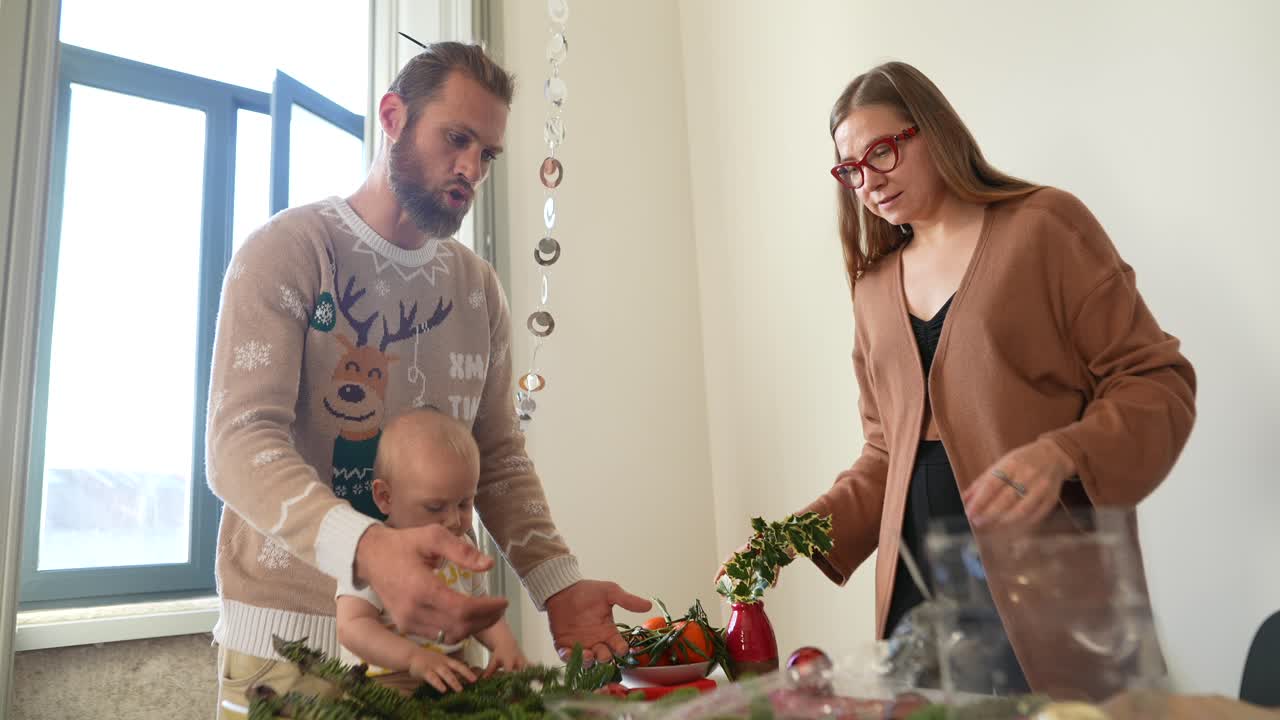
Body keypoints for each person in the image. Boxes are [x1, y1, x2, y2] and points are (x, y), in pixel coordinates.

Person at [720, 61, 1195, 698]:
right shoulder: (873, 287)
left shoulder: (1044, 227)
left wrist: (1063, 452)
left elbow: (1154, 379)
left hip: (1043, 574)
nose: (868, 182)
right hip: (920, 584)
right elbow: (886, 454)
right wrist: (786, 539)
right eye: (851, 169)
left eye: (882, 151)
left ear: (934, 132)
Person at [208, 42, 648, 716]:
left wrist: (559, 586)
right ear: (392, 116)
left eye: (487, 154)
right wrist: (367, 550)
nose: (471, 167)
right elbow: (237, 445)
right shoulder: (289, 252)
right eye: (457, 138)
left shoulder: (476, 289)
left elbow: (498, 459)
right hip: (292, 657)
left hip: (446, 655)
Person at [336, 408, 525, 695]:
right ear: (385, 497)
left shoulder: (463, 547)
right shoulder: (370, 554)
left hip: (453, 669)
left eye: (464, 503)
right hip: (385, 679)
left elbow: (478, 608)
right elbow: (352, 626)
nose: (453, 521)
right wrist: (414, 659)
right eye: (434, 507)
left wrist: (504, 644)